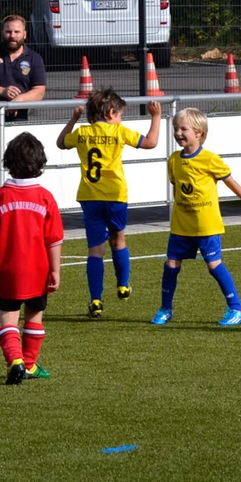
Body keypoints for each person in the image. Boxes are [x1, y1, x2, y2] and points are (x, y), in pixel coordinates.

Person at [151, 108, 241, 327]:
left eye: (184, 129)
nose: (179, 133)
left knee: (213, 265)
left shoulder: (210, 159)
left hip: (206, 225)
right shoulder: (173, 160)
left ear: (199, 132)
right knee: (171, 265)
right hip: (181, 226)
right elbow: (178, 190)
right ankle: (166, 308)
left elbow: (230, 180)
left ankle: (237, 309)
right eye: (176, 129)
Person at [56, 88, 162, 318]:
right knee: (119, 239)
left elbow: (61, 142)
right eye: (121, 114)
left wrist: (73, 119)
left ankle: (95, 300)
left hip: (90, 196)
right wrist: (155, 116)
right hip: (115, 196)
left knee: (95, 249)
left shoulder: (83, 132)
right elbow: (151, 142)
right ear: (112, 112)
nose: (121, 119)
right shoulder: (118, 131)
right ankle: (123, 285)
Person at [0, 132, 63, 385]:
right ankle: (28, 363)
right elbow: (54, 239)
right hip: (38, 268)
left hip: (7, 267)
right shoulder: (45, 197)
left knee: (8, 315)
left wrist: (5, 248)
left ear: (8, 162)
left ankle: (15, 360)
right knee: (34, 314)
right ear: (40, 165)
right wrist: (56, 270)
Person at [0, 15, 46, 123]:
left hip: (20, 119)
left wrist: (18, 101)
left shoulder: (34, 58)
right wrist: (2, 91)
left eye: (17, 32)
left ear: (24, 34)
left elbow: (39, 91)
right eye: (8, 31)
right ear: (3, 32)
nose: (12, 35)